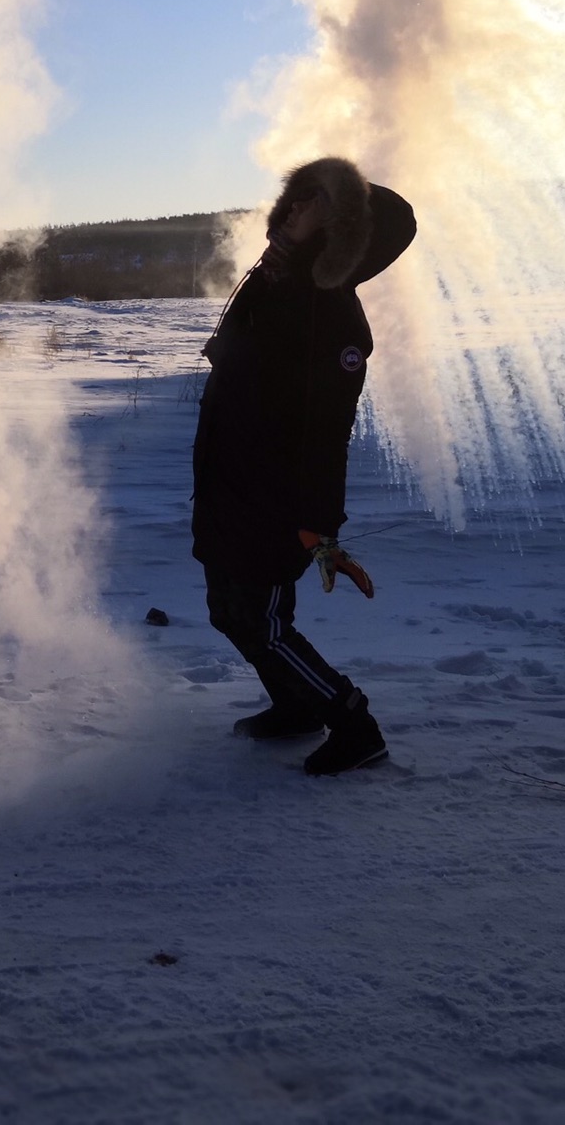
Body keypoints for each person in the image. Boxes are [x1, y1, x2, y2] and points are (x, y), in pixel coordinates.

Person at [191, 157, 416, 776]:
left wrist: (320, 525)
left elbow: (327, 435)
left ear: (342, 232)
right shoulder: (278, 285)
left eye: (312, 205)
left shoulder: (332, 319)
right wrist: (287, 243)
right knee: (228, 609)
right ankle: (295, 704)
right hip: (229, 478)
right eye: (295, 200)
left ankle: (352, 721)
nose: (293, 211)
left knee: (256, 621)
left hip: (272, 495)